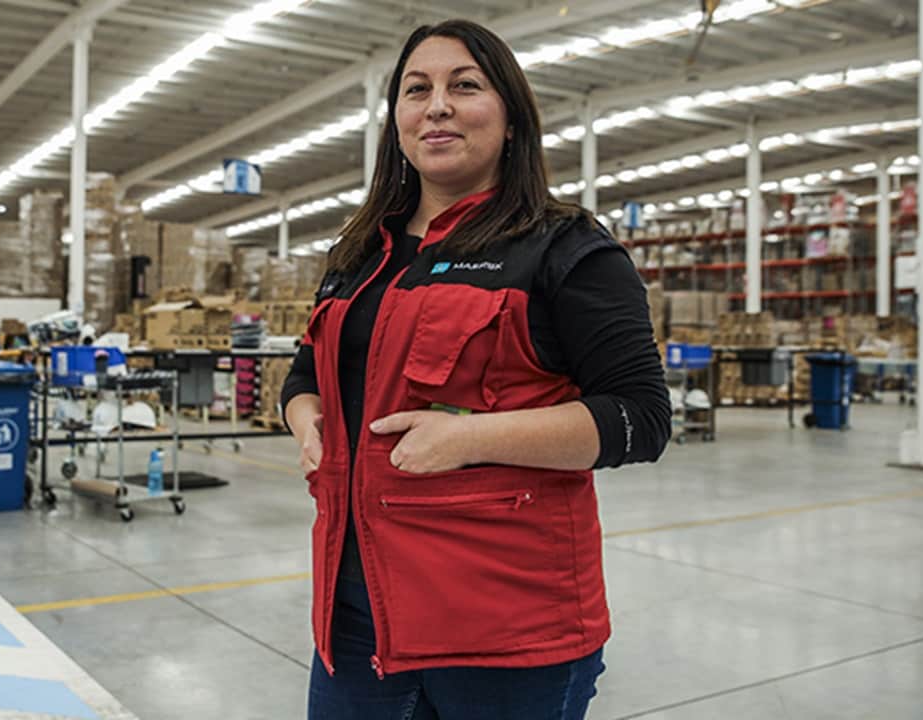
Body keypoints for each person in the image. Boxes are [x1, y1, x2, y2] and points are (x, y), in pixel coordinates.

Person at [280, 19, 671, 720]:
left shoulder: (564, 249)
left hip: (505, 627)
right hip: (356, 613)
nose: (437, 106)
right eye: (416, 90)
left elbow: (640, 419)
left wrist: (468, 439)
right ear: (396, 121)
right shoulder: (358, 254)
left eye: (464, 86)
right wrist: (306, 420)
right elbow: (305, 373)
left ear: (512, 118)